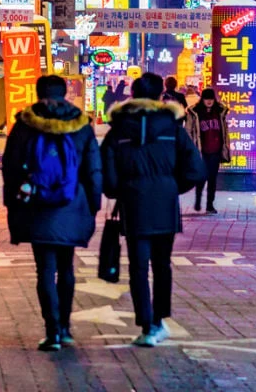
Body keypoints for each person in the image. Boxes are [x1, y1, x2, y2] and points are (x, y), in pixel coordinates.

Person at [102, 72, 204, 347]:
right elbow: (195, 168)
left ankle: (147, 325)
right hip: (165, 203)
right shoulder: (173, 127)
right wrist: (172, 187)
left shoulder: (119, 128)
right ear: (161, 95)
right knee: (162, 265)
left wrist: (119, 191)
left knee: (137, 266)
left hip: (133, 203)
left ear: (132, 94)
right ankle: (159, 321)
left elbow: (107, 174)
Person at [2, 75, 101, 351]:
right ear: (65, 92)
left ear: (37, 92)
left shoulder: (24, 124)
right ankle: (66, 328)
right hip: (72, 204)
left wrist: (14, 204)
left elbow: (10, 167)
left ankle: (52, 331)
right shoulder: (81, 125)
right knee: (66, 266)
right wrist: (93, 205)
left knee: (44, 269)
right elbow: (93, 169)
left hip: (36, 205)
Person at [185, 89, 231, 214]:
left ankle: (210, 204)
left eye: (211, 98)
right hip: (201, 150)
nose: (209, 101)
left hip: (216, 150)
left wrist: (225, 147)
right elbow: (188, 131)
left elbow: (225, 131)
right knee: (201, 177)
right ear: (202, 99)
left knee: (212, 178)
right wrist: (190, 149)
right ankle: (198, 200)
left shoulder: (220, 111)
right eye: (206, 98)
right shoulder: (195, 112)